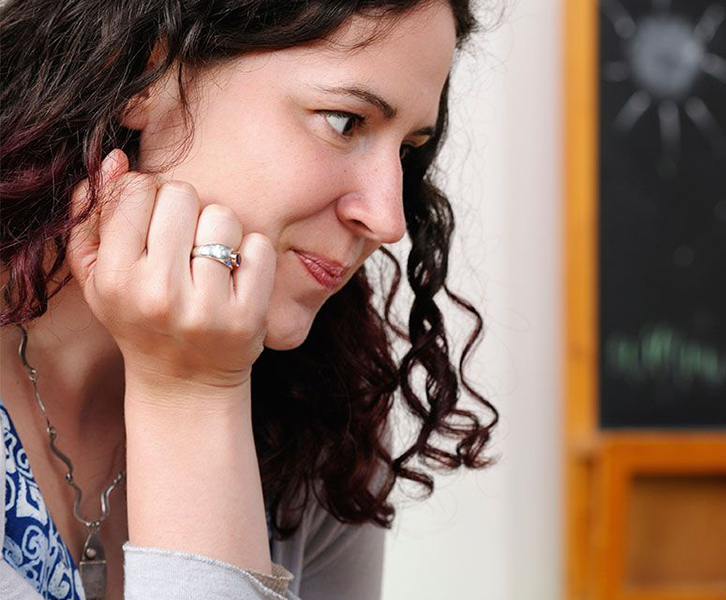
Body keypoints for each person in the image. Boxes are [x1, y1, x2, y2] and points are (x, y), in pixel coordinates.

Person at [0, 0, 497, 598]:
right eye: (344, 121)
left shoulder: (325, 421)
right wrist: (193, 395)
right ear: (146, 76)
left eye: (409, 150)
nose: (389, 219)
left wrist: (197, 393)